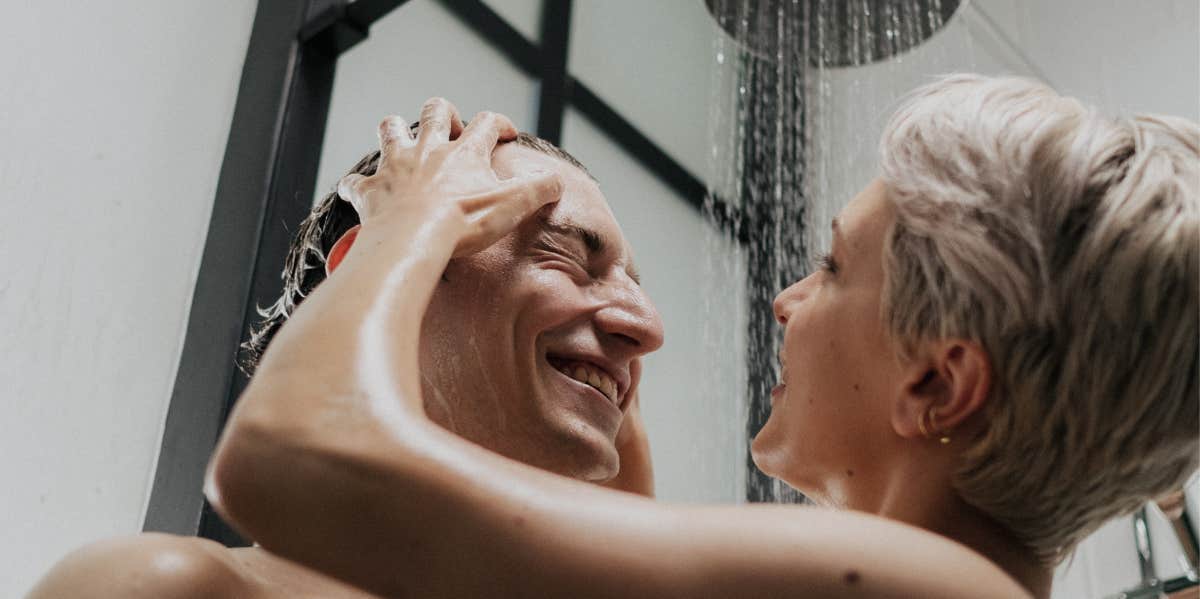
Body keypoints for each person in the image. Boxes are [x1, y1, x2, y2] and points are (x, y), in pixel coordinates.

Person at [188, 75, 1191, 599]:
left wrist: (408, 228)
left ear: (938, 383)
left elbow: (288, 457)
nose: (786, 300)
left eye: (833, 266)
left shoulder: (926, 584)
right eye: (571, 255)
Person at [27, 105, 664, 598]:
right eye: (567, 257)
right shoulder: (170, 588)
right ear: (389, 265)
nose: (651, 328)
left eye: (636, 289)